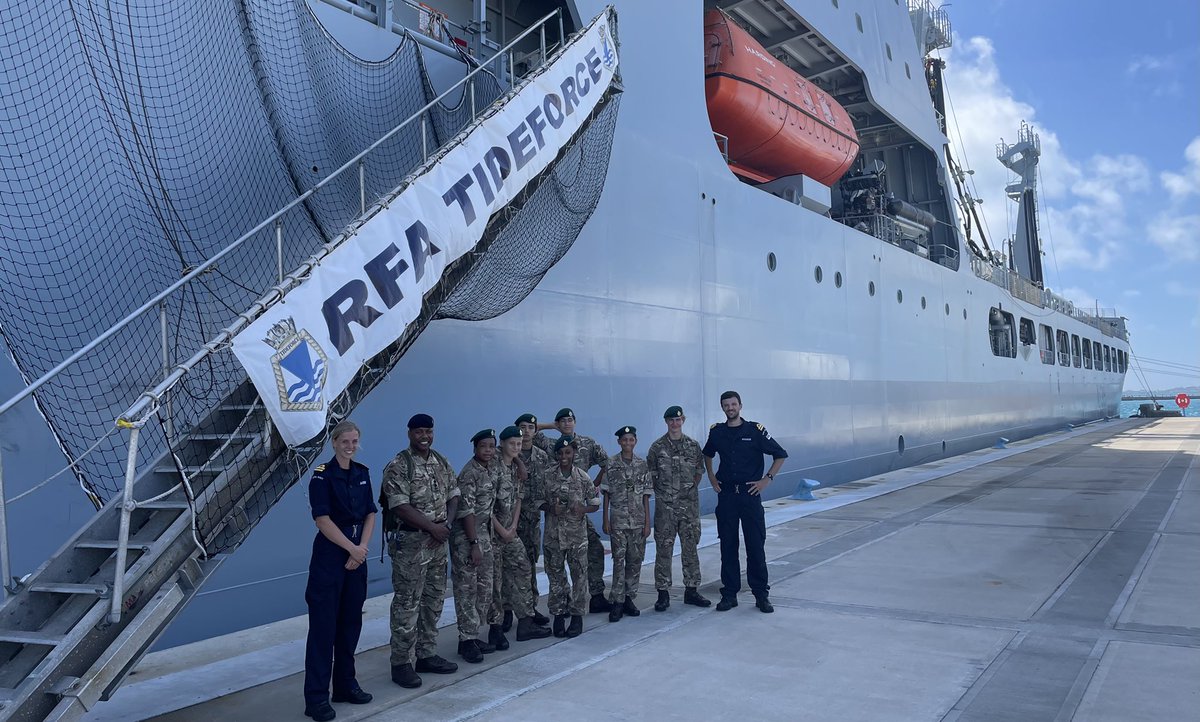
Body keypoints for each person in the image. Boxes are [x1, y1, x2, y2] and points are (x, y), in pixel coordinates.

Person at [303, 421, 375, 722]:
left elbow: (371, 512)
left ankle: (345, 685)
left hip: (357, 555)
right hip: (331, 556)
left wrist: (362, 549)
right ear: (334, 442)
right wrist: (351, 549)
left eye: (354, 440)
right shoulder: (322, 476)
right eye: (345, 441)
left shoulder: (362, 473)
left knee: (349, 624)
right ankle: (316, 698)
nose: (350, 445)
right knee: (323, 629)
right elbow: (322, 519)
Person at [381, 413, 460, 689]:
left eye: (428, 431)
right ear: (409, 433)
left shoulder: (441, 461)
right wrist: (432, 528)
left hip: (438, 543)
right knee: (407, 603)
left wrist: (446, 525)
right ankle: (401, 662)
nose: (424, 436)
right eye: (419, 432)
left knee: (434, 599)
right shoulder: (399, 466)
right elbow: (399, 506)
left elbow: (454, 495)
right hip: (412, 546)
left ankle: (426, 654)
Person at [702, 391, 787, 613]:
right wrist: (711, 476)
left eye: (733, 404)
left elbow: (780, 455)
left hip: (750, 495)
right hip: (727, 495)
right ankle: (729, 594)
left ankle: (761, 595)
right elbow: (707, 454)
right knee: (728, 546)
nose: (730, 408)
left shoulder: (755, 430)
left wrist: (766, 480)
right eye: (726, 405)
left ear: (740, 405)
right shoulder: (717, 433)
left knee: (755, 546)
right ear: (722, 408)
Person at [532, 408, 611, 613]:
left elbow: (607, 462)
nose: (567, 424)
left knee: (593, 549)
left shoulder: (588, 444)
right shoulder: (550, 444)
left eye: (570, 420)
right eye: (562, 421)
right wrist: (552, 426)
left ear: (575, 422)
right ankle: (563, 601)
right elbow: (527, 431)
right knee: (556, 561)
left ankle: (596, 594)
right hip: (557, 516)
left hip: (579, 513)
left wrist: (594, 483)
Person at [487, 426, 553, 647]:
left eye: (518, 443)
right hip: (491, 534)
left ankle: (525, 622)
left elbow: (518, 499)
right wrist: (502, 530)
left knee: (523, 568)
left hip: (510, 530)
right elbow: (484, 507)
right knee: (495, 581)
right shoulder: (491, 467)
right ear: (502, 444)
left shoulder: (515, 468)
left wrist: (513, 526)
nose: (516, 447)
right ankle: (496, 628)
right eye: (512, 443)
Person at [646, 405, 710, 611]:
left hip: (689, 508)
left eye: (678, 419)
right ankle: (663, 594)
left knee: (690, 549)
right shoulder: (657, 448)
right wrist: (667, 496)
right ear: (666, 422)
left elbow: (699, 472)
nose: (675, 423)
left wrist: (687, 492)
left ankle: (691, 590)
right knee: (663, 551)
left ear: (683, 420)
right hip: (666, 510)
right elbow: (651, 477)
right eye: (671, 420)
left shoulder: (693, 446)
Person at [539, 437, 600, 637]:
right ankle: (558, 614)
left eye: (568, 453)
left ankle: (576, 616)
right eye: (561, 453)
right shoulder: (547, 476)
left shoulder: (583, 477)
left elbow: (595, 503)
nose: (564, 457)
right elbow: (537, 501)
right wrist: (550, 508)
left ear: (574, 454)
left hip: (576, 537)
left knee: (579, 577)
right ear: (556, 455)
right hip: (553, 536)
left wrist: (583, 508)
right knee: (556, 578)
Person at [449, 430, 495, 664]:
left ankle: (473, 635)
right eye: (483, 446)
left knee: (484, 588)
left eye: (491, 446)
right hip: (467, 539)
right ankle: (466, 640)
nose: (488, 450)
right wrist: (474, 543)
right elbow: (465, 511)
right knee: (467, 590)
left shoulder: (487, 469)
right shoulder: (469, 474)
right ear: (475, 448)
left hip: (483, 535)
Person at [601, 426, 651, 622]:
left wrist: (648, 523)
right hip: (619, 522)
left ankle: (630, 597)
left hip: (638, 522)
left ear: (635, 441)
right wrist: (605, 519)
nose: (628, 443)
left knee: (635, 561)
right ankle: (617, 601)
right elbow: (606, 494)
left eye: (631, 440)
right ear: (619, 442)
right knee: (618, 561)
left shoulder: (642, 464)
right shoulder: (611, 464)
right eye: (624, 440)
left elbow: (646, 496)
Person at [511, 413, 552, 628]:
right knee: (507, 569)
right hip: (509, 523)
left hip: (533, 521)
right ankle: (506, 611)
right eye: (522, 427)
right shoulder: (506, 456)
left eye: (531, 427)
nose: (526, 431)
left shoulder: (542, 457)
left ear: (536, 431)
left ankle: (530, 608)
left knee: (530, 565)